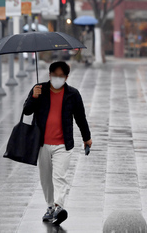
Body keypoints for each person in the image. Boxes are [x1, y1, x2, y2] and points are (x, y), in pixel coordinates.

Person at [23, 61, 92, 225]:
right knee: (46, 178)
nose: (57, 79)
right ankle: (49, 207)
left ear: (67, 77)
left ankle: (59, 206)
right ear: (49, 75)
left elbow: (80, 118)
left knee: (60, 176)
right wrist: (34, 96)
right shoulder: (39, 89)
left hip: (63, 143)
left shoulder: (73, 94)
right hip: (42, 143)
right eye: (54, 75)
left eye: (61, 76)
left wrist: (86, 137)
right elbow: (27, 110)